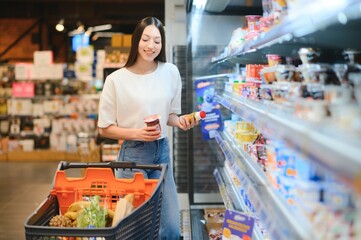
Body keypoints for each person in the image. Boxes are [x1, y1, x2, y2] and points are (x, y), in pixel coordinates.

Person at [97, 17, 197, 239]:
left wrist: (180, 122)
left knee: (170, 229)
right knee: (136, 230)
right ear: (136, 40)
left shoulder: (170, 72)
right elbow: (104, 128)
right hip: (132, 155)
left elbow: (169, 115)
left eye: (157, 41)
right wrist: (136, 133)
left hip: (162, 152)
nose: (151, 46)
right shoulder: (116, 80)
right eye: (145, 39)